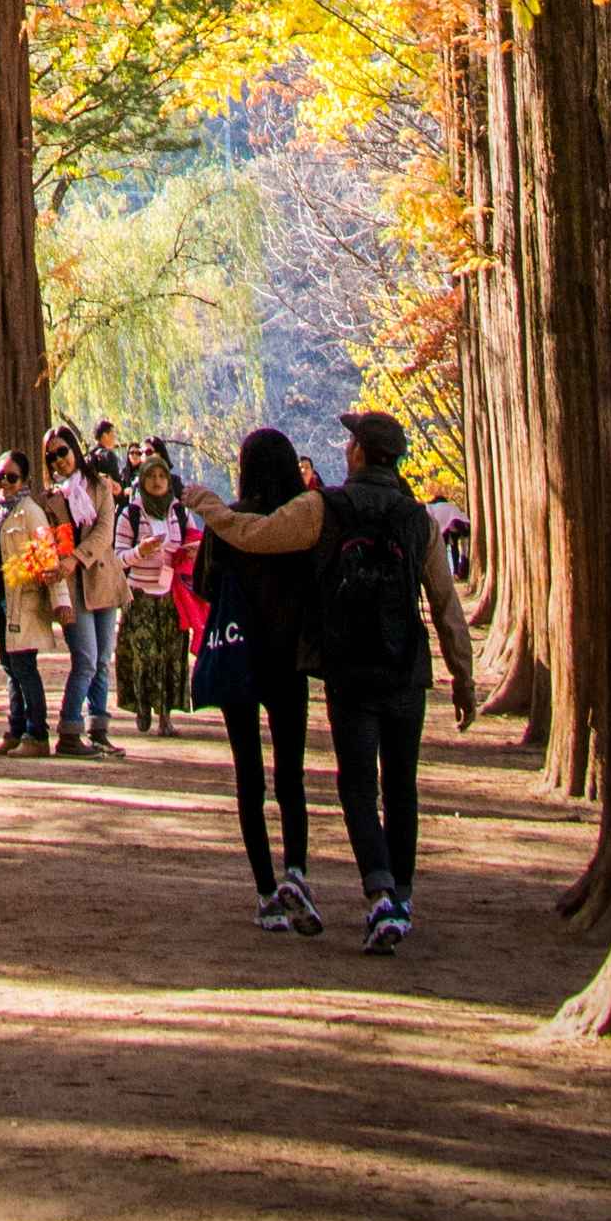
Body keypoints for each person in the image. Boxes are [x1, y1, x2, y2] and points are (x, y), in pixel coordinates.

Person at [194, 403, 476, 951]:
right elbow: (445, 603)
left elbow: (256, 535)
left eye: (350, 444)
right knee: (400, 786)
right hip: (405, 668)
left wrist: (210, 510)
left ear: (361, 453)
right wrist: (461, 678)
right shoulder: (418, 520)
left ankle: (376, 895)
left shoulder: (325, 509)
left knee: (356, 787)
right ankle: (401, 894)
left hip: (349, 670)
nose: (344, 450)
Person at [192, 423, 322, 929]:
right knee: (291, 772)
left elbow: (203, 585)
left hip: (238, 653)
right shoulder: (302, 523)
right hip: (288, 659)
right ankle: (297, 872)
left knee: (249, 772)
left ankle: (266, 893)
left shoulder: (228, 523)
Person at [0, 448, 60, 753]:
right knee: (10, 668)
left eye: (11, 477)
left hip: (24, 602)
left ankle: (37, 734)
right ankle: (16, 729)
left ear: (23, 479)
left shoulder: (30, 511)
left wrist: (60, 601)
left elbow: (49, 559)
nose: (5, 483)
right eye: (0, 476)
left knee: (24, 668)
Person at [50, 424, 123, 754]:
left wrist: (77, 557)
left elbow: (105, 531)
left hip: (102, 579)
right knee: (86, 659)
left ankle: (99, 728)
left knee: (103, 658)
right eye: (51, 456)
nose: (59, 460)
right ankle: (68, 730)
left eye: (63, 451)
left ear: (75, 450)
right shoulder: (49, 498)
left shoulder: (99, 487)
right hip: (71, 589)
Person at [117, 449, 190, 733]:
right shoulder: (130, 514)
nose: (158, 481)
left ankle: (166, 717)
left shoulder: (180, 512)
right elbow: (118, 557)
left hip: (172, 595)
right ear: (142, 480)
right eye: (151, 476)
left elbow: (192, 542)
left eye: (162, 476)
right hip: (140, 595)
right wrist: (140, 551)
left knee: (171, 654)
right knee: (143, 654)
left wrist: (191, 552)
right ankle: (143, 707)